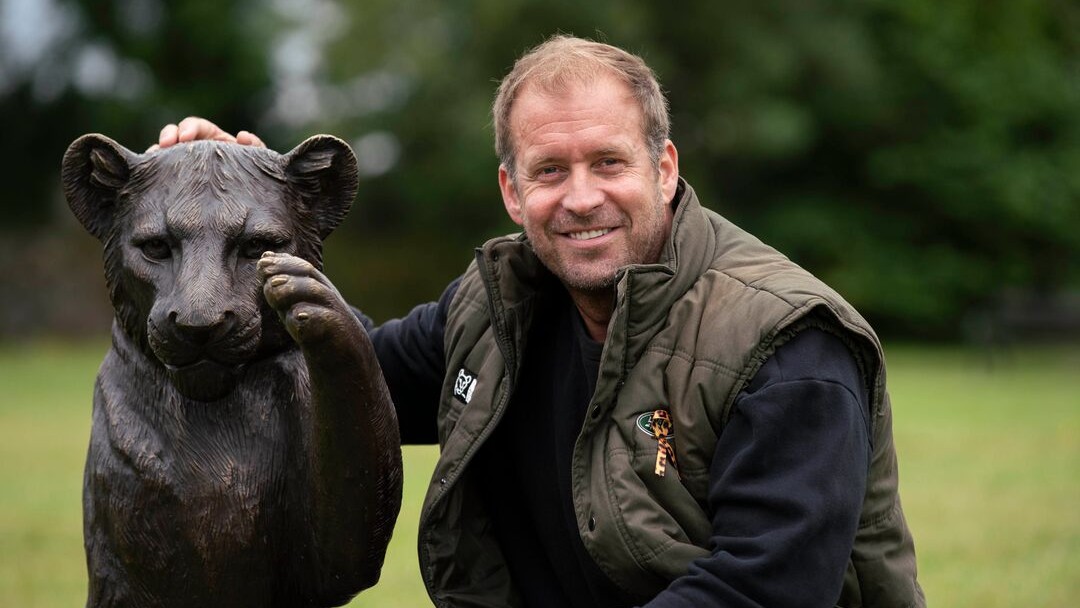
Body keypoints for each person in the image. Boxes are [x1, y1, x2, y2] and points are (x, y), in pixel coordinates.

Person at [157, 35, 924, 608]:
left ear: (664, 168)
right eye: (550, 170)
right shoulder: (494, 306)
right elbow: (354, 375)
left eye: (609, 163)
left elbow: (767, 591)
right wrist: (246, 218)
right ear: (512, 191)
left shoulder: (788, 343)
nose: (581, 197)